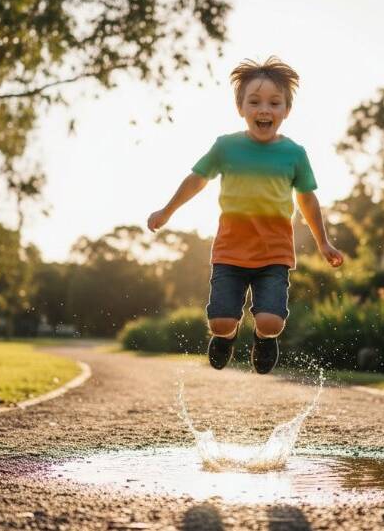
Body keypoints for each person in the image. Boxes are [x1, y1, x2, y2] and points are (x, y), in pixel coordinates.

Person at [147, 56, 344, 374]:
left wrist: (324, 243)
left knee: (271, 322)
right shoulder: (226, 147)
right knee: (221, 321)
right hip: (230, 252)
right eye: (254, 101)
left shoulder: (294, 154)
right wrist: (167, 210)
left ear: (285, 111)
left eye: (274, 103)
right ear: (241, 108)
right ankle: (226, 338)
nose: (264, 109)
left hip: (274, 254)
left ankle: (264, 339)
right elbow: (197, 179)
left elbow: (308, 200)